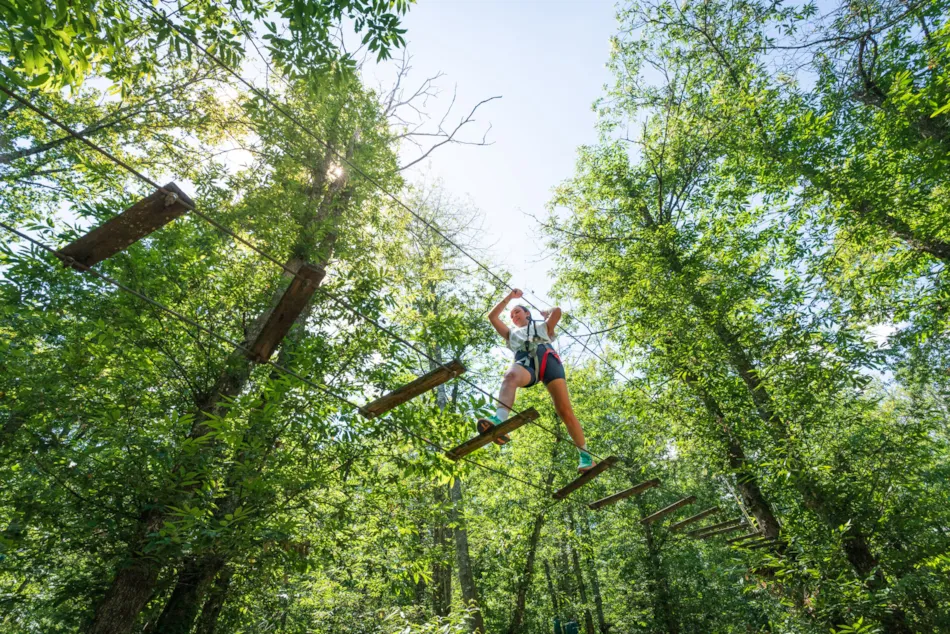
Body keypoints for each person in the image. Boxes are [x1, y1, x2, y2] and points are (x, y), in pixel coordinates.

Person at [477, 288, 595, 472]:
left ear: (527, 313)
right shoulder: (512, 335)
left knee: (564, 410)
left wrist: (545, 313)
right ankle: (500, 421)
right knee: (510, 376)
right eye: (511, 314)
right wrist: (509, 297)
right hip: (526, 366)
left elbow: (557, 312)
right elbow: (492, 317)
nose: (513, 315)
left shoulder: (541, 327)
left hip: (549, 364)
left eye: (517, 311)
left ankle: (586, 456)